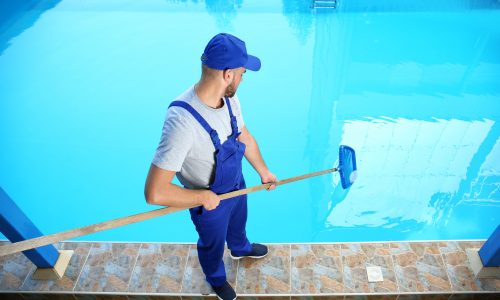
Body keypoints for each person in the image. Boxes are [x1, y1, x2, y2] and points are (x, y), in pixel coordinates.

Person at [144, 33, 277, 300]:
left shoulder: (229, 99)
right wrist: (201, 197)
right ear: (228, 74)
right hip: (207, 200)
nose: (242, 78)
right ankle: (216, 278)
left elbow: (244, 136)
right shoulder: (181, 122)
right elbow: (155, 193)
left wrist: (263, 171)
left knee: (239, 223)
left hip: (236, 184)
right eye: (242, 73)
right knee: (213, 244)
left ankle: (239, 248)